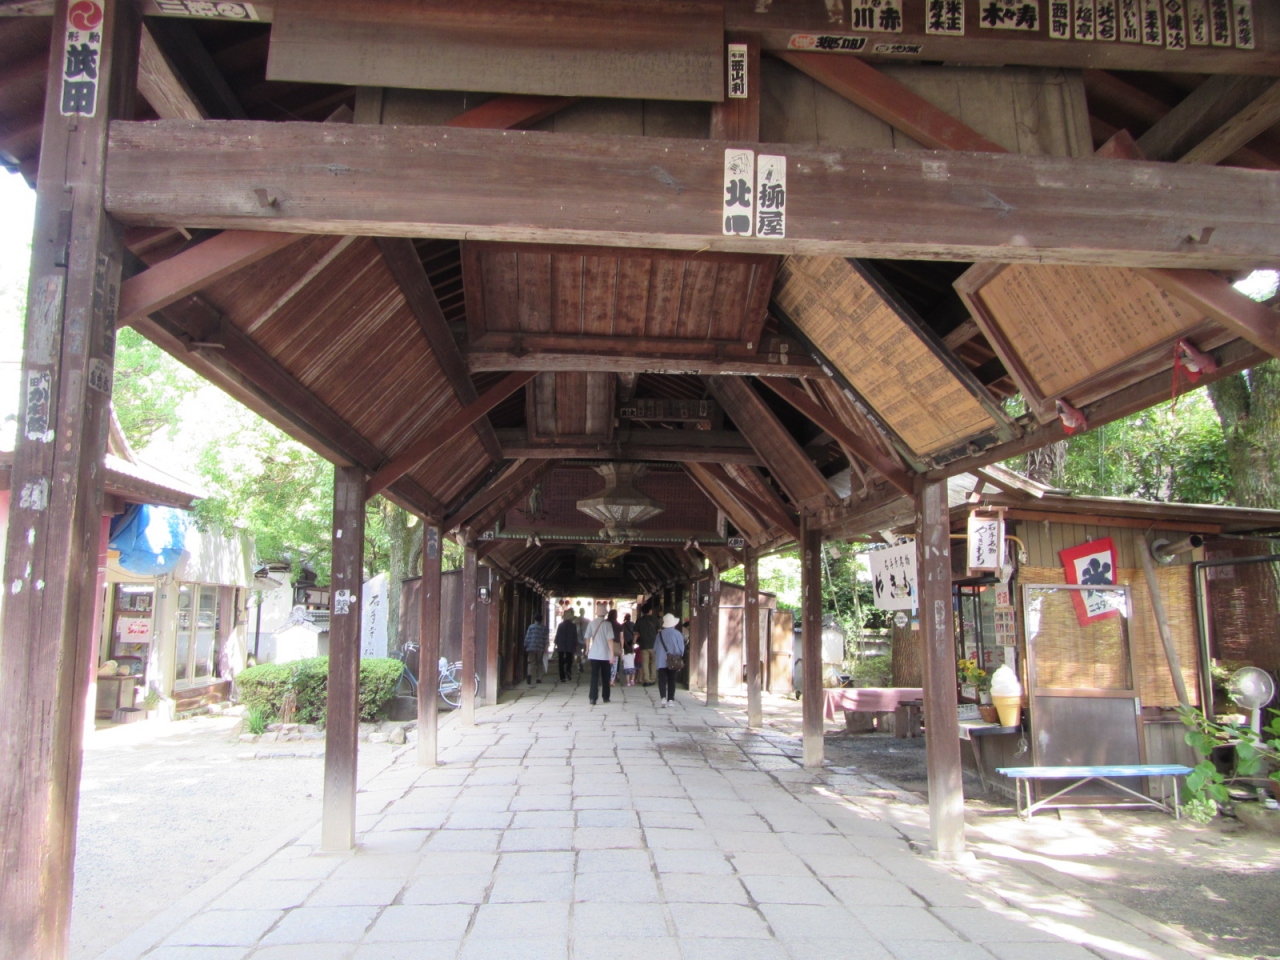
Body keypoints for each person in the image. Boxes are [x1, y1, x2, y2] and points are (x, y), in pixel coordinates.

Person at [584, 609, 616, 705]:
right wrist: (612, 654)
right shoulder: (608, 624)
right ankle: (606, 697)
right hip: (605, 655)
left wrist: (587, 649)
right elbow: (610, 640)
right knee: (605, 676)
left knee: (594, 676)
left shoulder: (591, 623)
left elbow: (587, 637)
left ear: (596, 613)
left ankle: (593, 698)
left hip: (594, 654)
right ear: (605, 614)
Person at [655, 613, 686, 707]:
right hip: (673, 660)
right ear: (673, 624)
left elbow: (655, 648)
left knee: (662, 680)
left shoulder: (659, 634)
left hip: (661, 660)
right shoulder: (677, 634)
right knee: (672, 679)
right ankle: (671, 700)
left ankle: (663, 699)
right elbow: (681, 649)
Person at [635, 605, 660, 687]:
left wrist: (633, 642)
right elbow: (659, 631)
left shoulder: (639, 620)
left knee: (645, 663)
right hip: (654, 645)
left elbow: (636, 633)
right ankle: (653, 679)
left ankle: (646, 680)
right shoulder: (655, 619)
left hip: (643, 644)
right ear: (649, 610)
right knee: (653, 661)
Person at [523, 613, 548, 685]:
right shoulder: (544, 628)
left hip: (531, 647)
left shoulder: (531, 627)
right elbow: (545, 639)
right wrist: (545, 647)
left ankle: (529, 674)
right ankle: (539, 678)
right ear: (541, 620)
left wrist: (525, 645)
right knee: (539, 662)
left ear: (535, 619)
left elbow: (527, 637)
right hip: (540, 647)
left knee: (531, 662)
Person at [553, 609, 578, 681]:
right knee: (569, 658)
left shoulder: (560, 625)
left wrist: (555, 643)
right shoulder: (573, 626)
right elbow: (575, 636)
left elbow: (557, 635)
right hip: (570, 644)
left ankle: (562, 677)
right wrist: (576, 644)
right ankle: (568, 669)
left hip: (561, 644)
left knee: (560, 661)